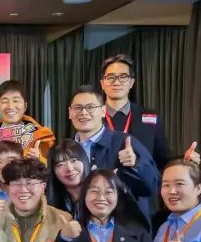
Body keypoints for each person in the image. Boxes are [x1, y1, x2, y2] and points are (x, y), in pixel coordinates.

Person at [68, 85, 160, 220]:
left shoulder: (124, 142)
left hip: (123, 226)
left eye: (90, 107)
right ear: (70, 113)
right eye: (78, 108)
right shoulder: (66, 150)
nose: (84, 112)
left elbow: (153, 186)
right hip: (81, 226)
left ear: (103, 111)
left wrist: (136, 164)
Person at [100, 54, 176, 170]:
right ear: (102, 84)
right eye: (110, 77)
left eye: (123, 76)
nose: (116, 82)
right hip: (102, 181)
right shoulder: (91, 116)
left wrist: (185, 160)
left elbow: (164, 160)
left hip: (141, 180)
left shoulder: (151, 118)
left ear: (131, 82)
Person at [0, 80, 55, 164]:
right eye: (4, 101)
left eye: (16, 101)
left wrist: (38, 161)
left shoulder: (40, 137)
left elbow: (52, 167)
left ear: (25, 106)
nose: (10, 106)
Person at [47, 139, 90, 218]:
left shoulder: (97, 195)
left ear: (84, 161)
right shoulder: (47, 201)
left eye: (74, 160)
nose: (70, 168)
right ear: (53, 171)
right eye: (61, 164)